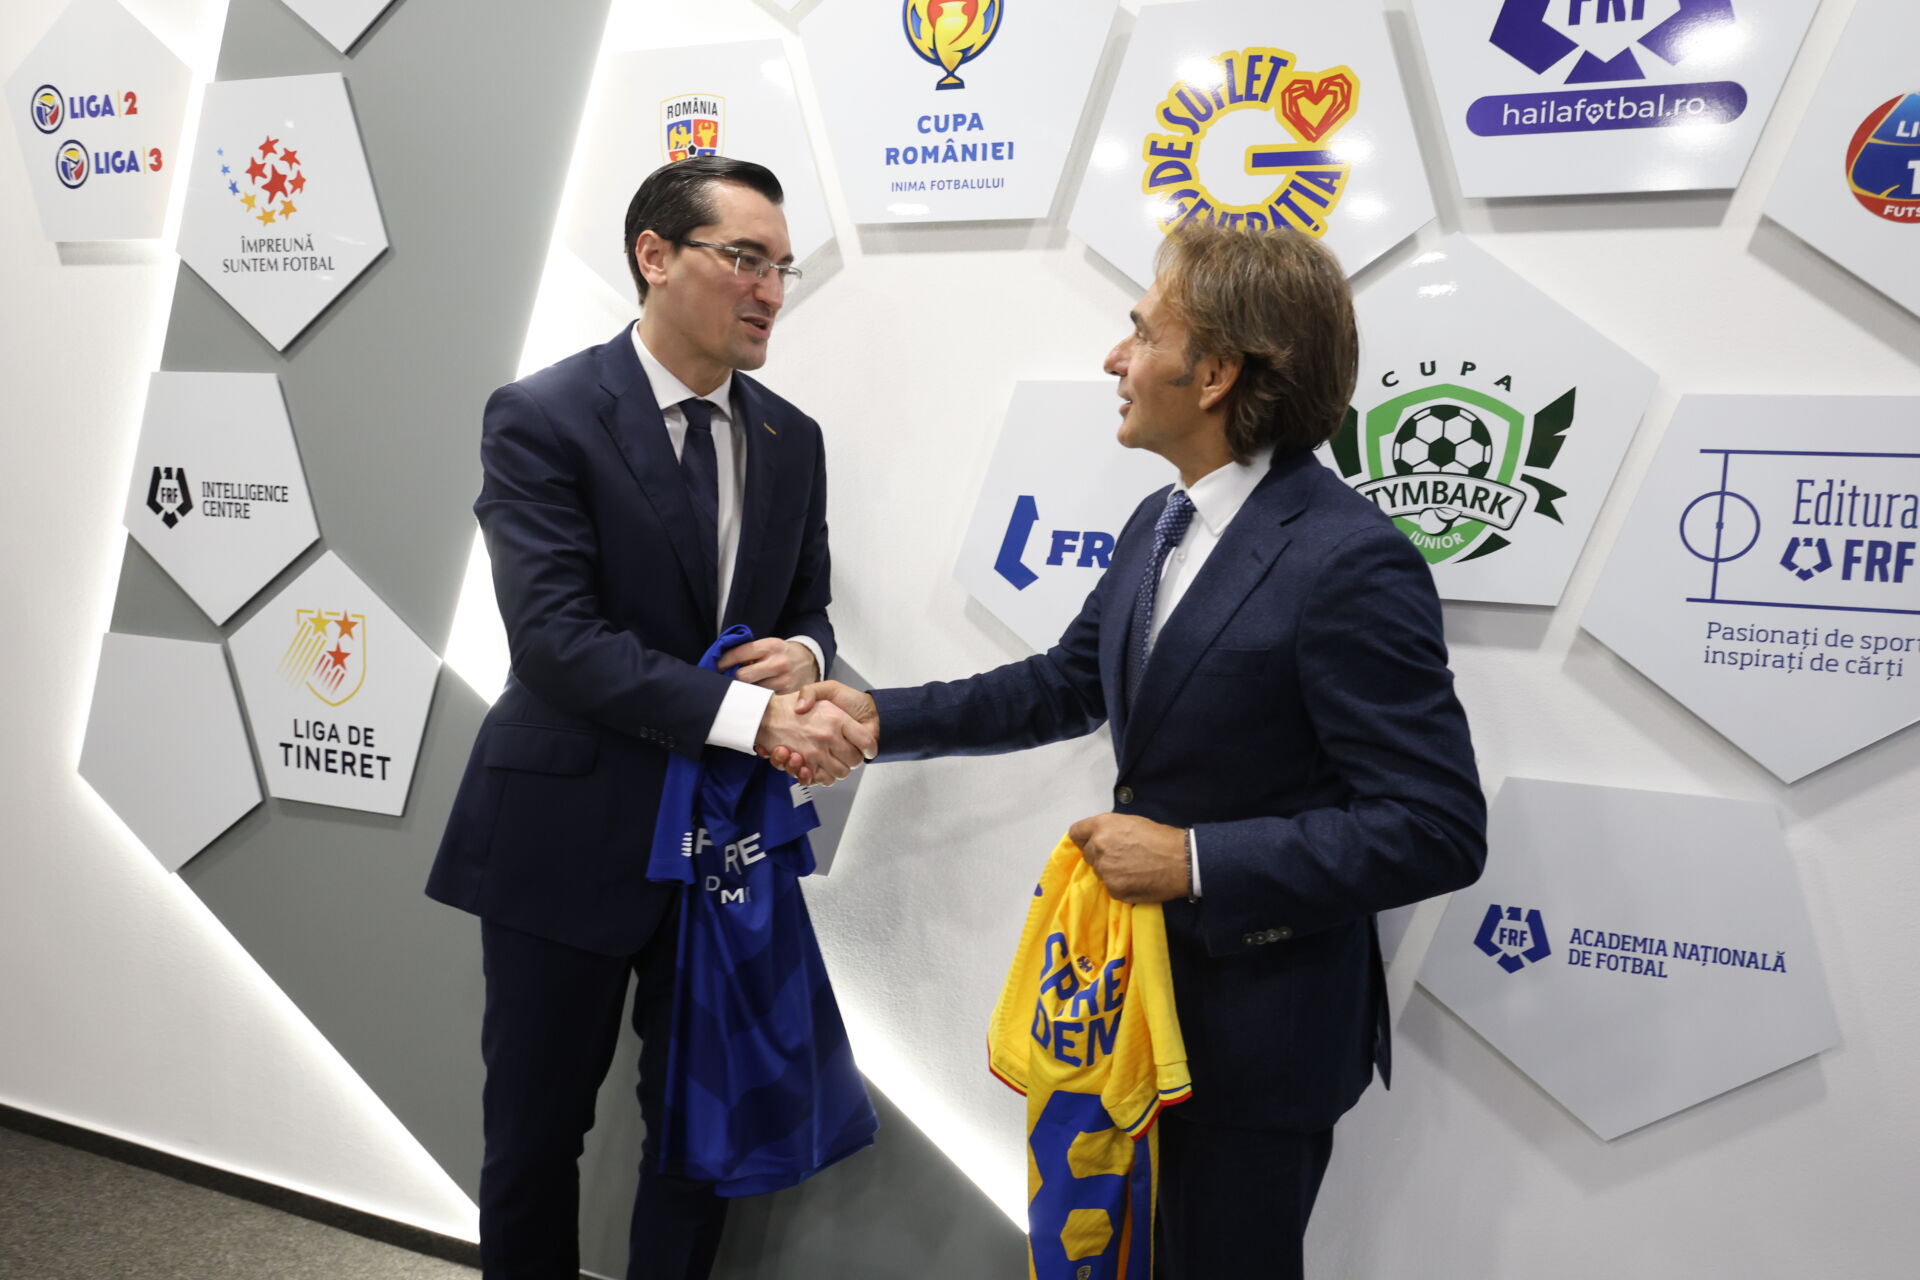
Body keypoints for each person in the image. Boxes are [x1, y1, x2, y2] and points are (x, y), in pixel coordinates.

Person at [782, 223, 1487, 1278]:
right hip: (1128, 1022)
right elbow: (1065, 683)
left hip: (1255, 1042)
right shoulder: (1162, 519)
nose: (1116, 358)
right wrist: (881, 718)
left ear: (1216, 374)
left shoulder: (1350, 561)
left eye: (1143, 333)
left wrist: (1193, 860)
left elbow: (1436, 828)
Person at [426, 156, 876, 1280]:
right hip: (565, 832)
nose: (770, 290)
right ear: (654, 256)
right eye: (746, 259)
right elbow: (555, 641)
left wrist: (808, 655)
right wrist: (753, 717)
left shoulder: (793, 438)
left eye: (783, 267)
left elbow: (807, 603)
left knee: (699, 1143)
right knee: (535, 1137)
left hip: (719, 849)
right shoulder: (543, 415)